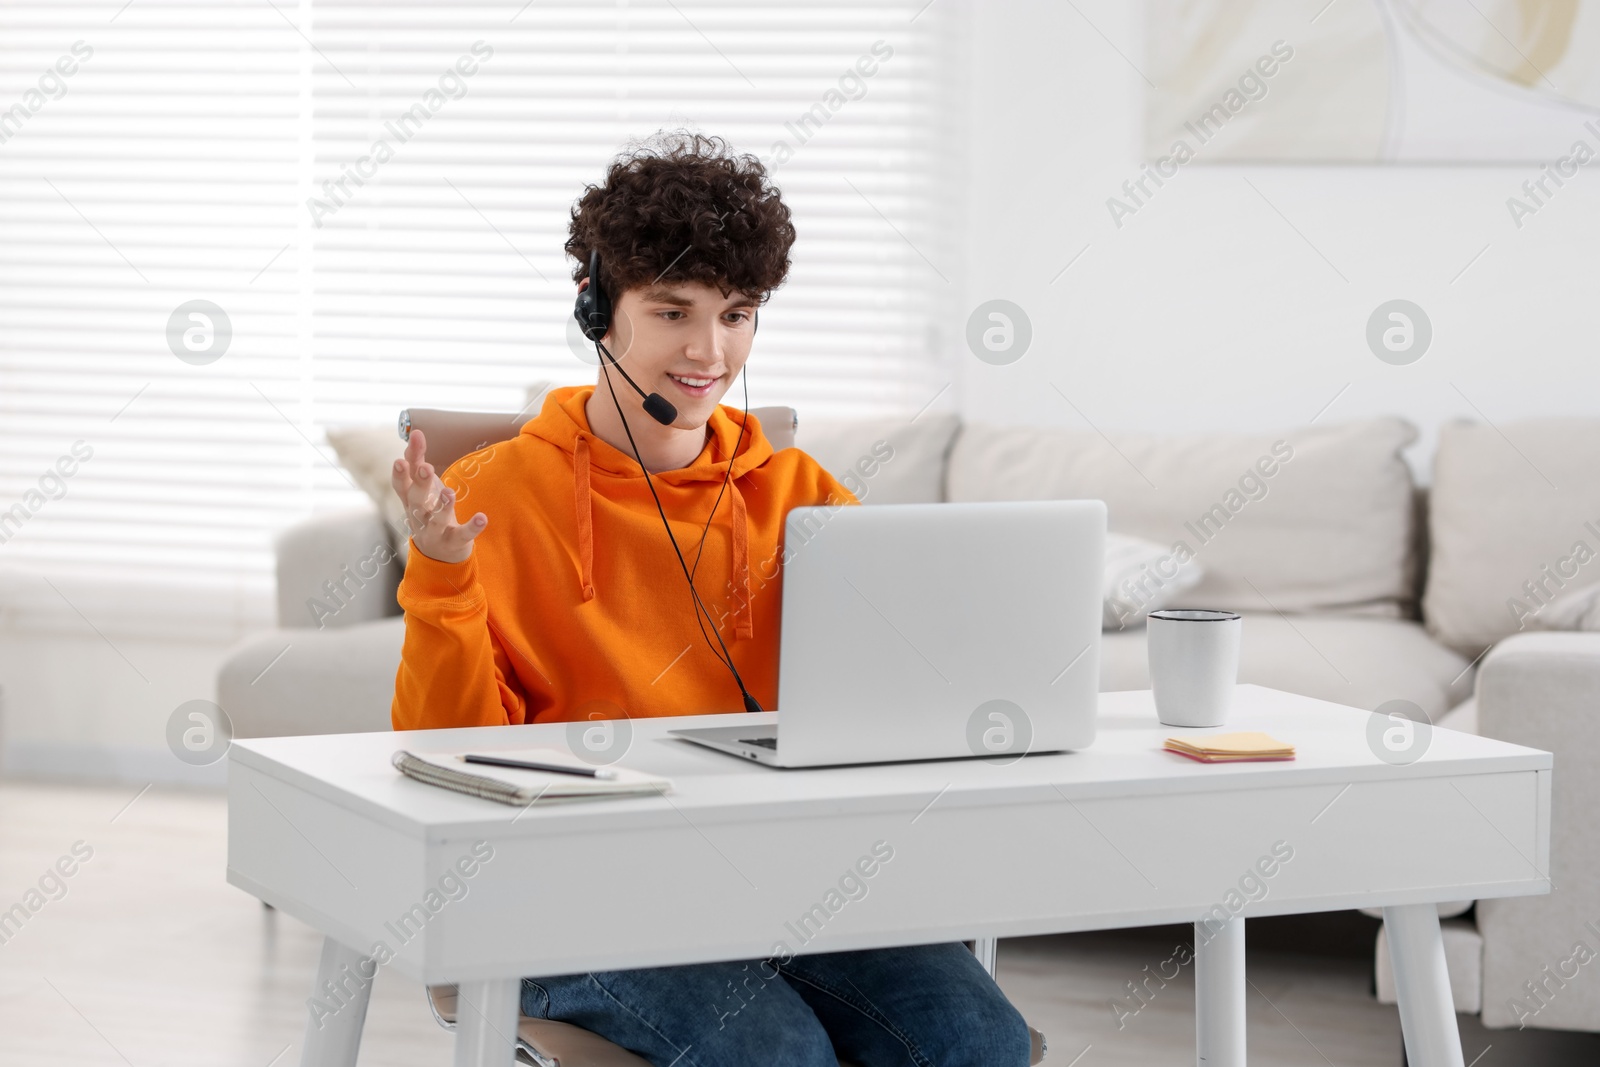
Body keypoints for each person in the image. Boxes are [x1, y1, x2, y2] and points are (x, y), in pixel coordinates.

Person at [389, 129, 1030, 1067]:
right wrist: (441, 575)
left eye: (736, 314)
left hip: (786, 881)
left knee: (975, 1039)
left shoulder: (802, 496)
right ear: (599, 310)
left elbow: (888, 702)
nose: (708, 350)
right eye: (673, 311)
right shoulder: (491, 498)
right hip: (563, 897)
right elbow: (447, 753)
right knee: (778, 1054)